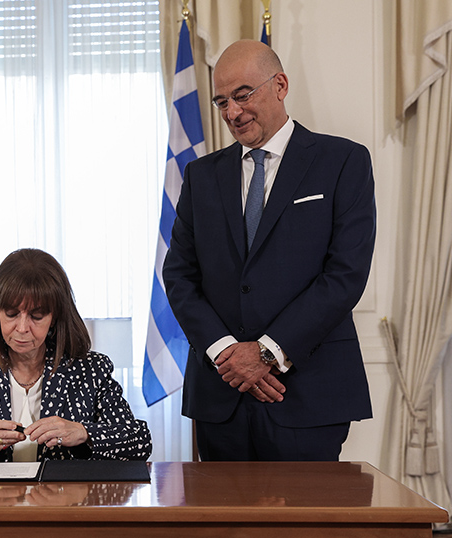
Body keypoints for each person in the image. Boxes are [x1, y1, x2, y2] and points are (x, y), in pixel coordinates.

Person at [162, 40, 376, 461]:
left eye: (243, 95)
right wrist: (227, 353)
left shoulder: (343, 161)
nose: (232, 113)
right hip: (221, 394)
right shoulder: (200, 176)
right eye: (222, 101)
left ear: (280, 85)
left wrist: (266, 352)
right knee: (222, 508)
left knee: (306, 508)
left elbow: (345, 275)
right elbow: (179, 276)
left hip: (307, 393)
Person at [0, 248, 151, 462]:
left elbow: (139, 442)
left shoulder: (91, 369)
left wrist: (84, 433)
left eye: (36, 316)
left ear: (54, 318)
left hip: (64, 487)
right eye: (11, 314)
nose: (22, 328)